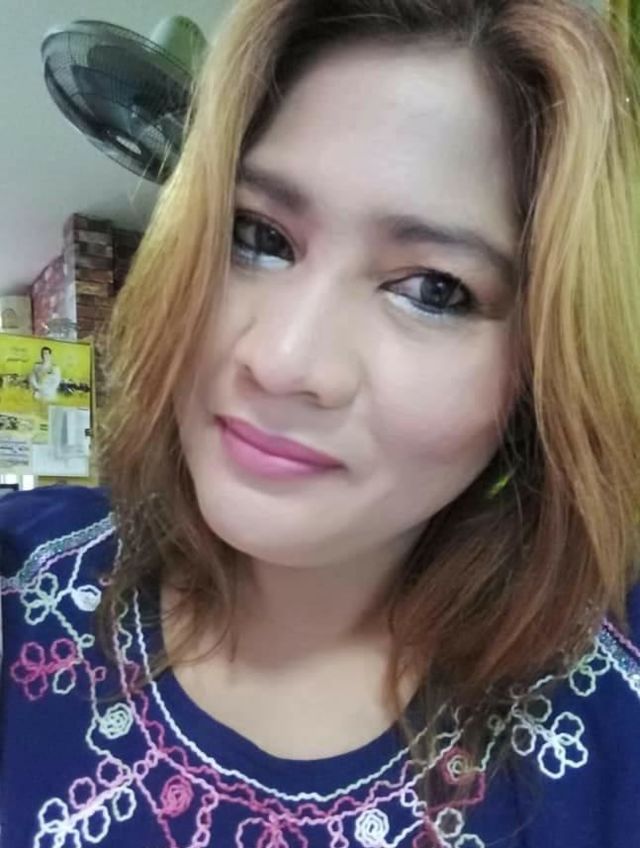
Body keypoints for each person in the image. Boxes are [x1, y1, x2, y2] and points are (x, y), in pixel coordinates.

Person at [2, 0, 640, 845]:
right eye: (257, 236)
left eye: (434, 290)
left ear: (545, 367)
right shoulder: (20, 588)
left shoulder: (612, 720)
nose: (283, 360)